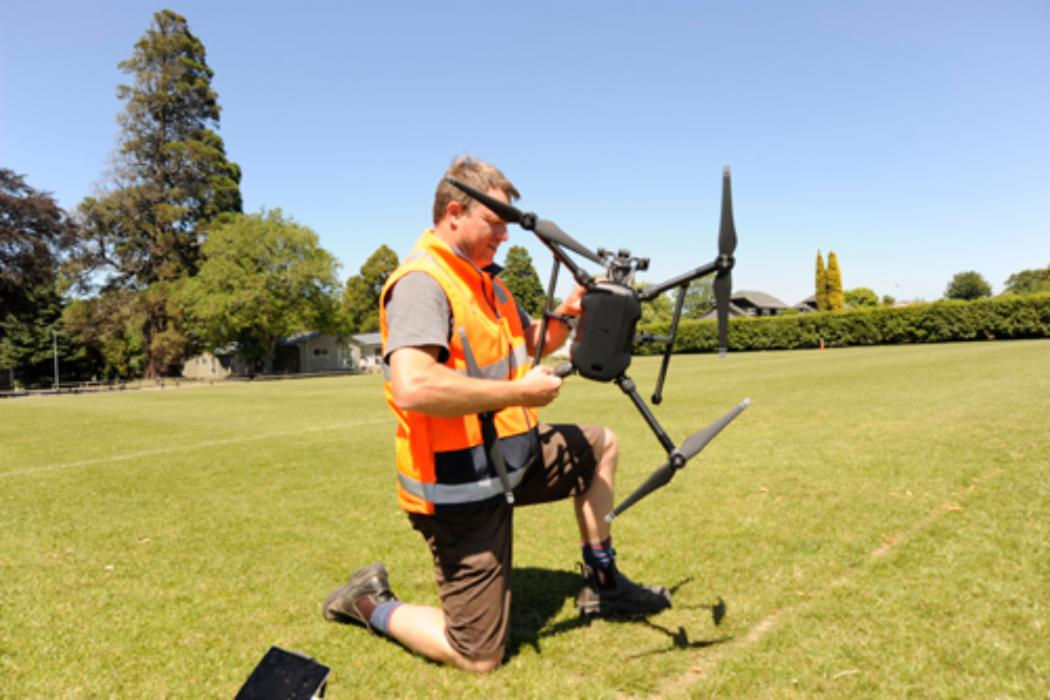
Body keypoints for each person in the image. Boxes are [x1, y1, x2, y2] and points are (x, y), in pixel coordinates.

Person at [322, 156, 671, 673]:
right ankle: (366, 601)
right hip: (458, 484)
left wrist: (570, 313)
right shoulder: (423, 282)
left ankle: (603, 584)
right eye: (497, 223)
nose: (506, 236)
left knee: (601, 445)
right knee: (478, 655)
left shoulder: (487, 282)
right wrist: (517, 396)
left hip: (513, 455)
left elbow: (529, 345)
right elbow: (414, 385)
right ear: (456, 212)